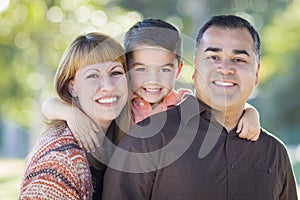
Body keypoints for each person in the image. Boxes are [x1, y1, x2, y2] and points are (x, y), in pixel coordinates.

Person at [101, 15, 298, 200]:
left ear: (256, 73)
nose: (225, 68)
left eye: (239, 60)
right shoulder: (145, 141)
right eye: (213, 57)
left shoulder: (274, 153)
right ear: (194, 68)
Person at [41, 18, 261, 153]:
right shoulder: (119, 102)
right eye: (141, 69)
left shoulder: (185, 102)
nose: (153, 80)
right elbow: (49, 104)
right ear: (126, 69)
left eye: (164, 70)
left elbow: (223, 110)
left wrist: (251, 113)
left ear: (177, 69)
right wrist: (72, 114)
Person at [19, 32, 130, 200]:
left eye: (115, 73)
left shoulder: (124, 133)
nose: (108, 86)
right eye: (93, 75)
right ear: (73, 87)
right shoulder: (59, 160)